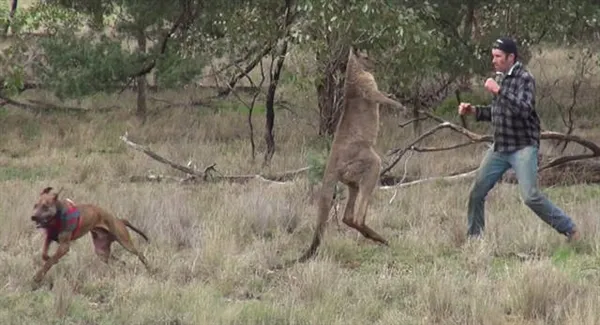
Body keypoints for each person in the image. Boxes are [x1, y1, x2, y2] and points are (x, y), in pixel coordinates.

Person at [458, 37, 580, 241]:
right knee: (476, 192)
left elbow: (523, 110)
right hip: (500, 147)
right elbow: (499, 111)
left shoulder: (525, 78)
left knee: (531, 196)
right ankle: (474, 240)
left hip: (523, 146)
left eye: (498, 56)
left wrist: (499, 91)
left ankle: (570, 229)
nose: (493, 61)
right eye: (493, 56)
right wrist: (474, 111)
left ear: (511, 57)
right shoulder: (500, 77)